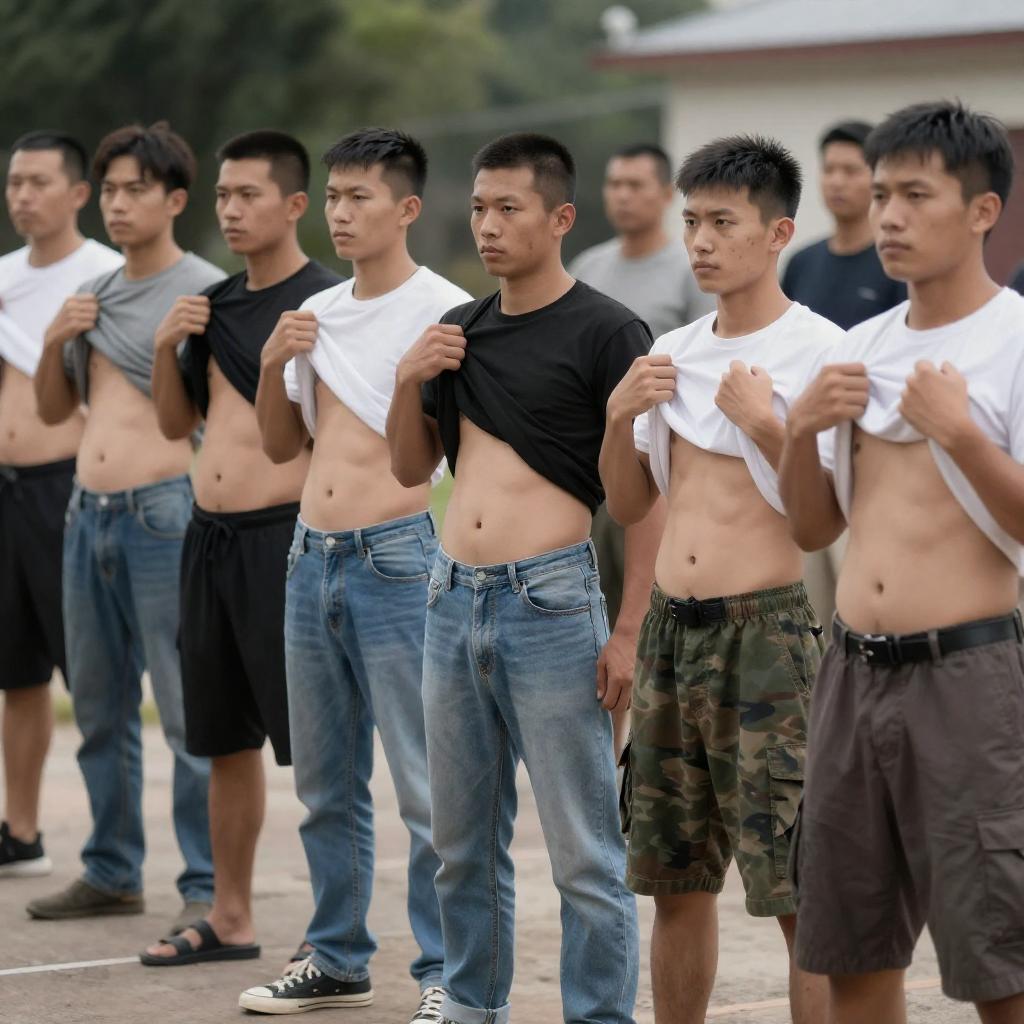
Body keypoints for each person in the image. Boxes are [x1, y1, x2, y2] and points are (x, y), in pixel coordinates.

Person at [387, 132, 658, 1024]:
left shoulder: (609, 330)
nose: (489, 225)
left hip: (552, 604)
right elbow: (410, 468)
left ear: (561, 217)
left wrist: (629, 632)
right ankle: (473, 1006)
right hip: (449, 597)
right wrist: (408, 380)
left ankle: (599, 1016)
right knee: (460, 844)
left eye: (509, 208)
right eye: (479, 208)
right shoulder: (458, 332)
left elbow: (646, 500)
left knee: (584, 851)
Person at [779, 100, 1024, 1023]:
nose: (888, 216)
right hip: (851, 674)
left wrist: (959, 433)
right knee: (853, 953)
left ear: (982, 210)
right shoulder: (859, 350)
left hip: (967, 676)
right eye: (881, 194)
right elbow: (813, 527)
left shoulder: (1014, 340)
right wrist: (797, 431)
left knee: (998, 961)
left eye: (915, 195)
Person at [599, 135, 837, 1024]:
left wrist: (767, 423)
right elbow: (631, 502)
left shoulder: (821, 352)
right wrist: (617, 418)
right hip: (673, 633)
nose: (700, 241)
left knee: (795, 887)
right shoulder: (673, 350)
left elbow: (822, 520)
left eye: (722, 223)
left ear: (777, 233)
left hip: (764, 637)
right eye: (692, 221)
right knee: (674, 882)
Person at [240, 128, 470, 1022]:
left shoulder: (447, 311)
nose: (339, 213)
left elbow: (450, 456)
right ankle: (336, 957)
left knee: (423, 784)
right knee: (324, 783)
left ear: (407, 208)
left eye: (358, 197)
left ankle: (446, 973)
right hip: (310, 556)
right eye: (332, 196)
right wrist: (272, 362)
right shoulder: (318, 313)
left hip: (397, 557)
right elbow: (280, 446)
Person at [140, 131, 340, 967]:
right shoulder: (211, 305)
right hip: (208, 539)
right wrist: (164, 345)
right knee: (221, 740)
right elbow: (176, 425)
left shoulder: (325, 304)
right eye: (222, 195)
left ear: (294, 205)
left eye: (247, 194)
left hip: (283, 540)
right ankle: (229, 918)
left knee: (320, 749)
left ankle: (334, 936)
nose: (229, 209)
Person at [29, 122, 222, 932]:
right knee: (99, 707)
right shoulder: (94, 294)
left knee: (184, 709)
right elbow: (55, 411)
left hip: (163, 515)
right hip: (87, 512)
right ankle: (111, 869)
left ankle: (207, 883)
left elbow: (213, 417)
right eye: (108, 190)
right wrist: (54, 340)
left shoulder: (204, 290)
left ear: (174, 199)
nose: (116, 204)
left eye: (135, 189)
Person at [0, 131, 122, 878]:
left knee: (93, 673)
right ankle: (21, 833)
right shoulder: (3, 277)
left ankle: (116, 851)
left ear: (78, 193)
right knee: (15, 673)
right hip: (5, 489)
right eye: (14, 182)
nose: (22, 196)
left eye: (38, 182)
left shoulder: (105, 276)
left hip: (69, 489)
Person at [569, 143, 703, 750]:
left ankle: (649, 765)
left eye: (636, 184)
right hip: (592, 470)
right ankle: (605, 763)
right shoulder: (590, 265)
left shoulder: (688, 271)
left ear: (666, 195)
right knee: (594, 635)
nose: (622, 195)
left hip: (663, 475)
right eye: (613, 183)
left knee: (648, 625)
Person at [782, 120, 906, 330]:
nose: (836, 182)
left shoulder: (897, 262)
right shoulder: (801, 263)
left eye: (851, 171)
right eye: (828, 170)